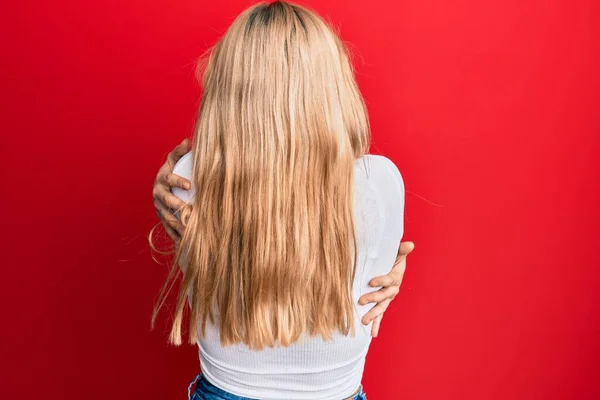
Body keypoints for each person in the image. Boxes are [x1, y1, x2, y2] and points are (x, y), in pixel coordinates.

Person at [150, 2, 414, 399]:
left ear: (229, 84)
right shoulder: (378, 181)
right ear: (332, 85)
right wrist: (395, 261)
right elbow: (373, 280)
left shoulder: (186, 175)